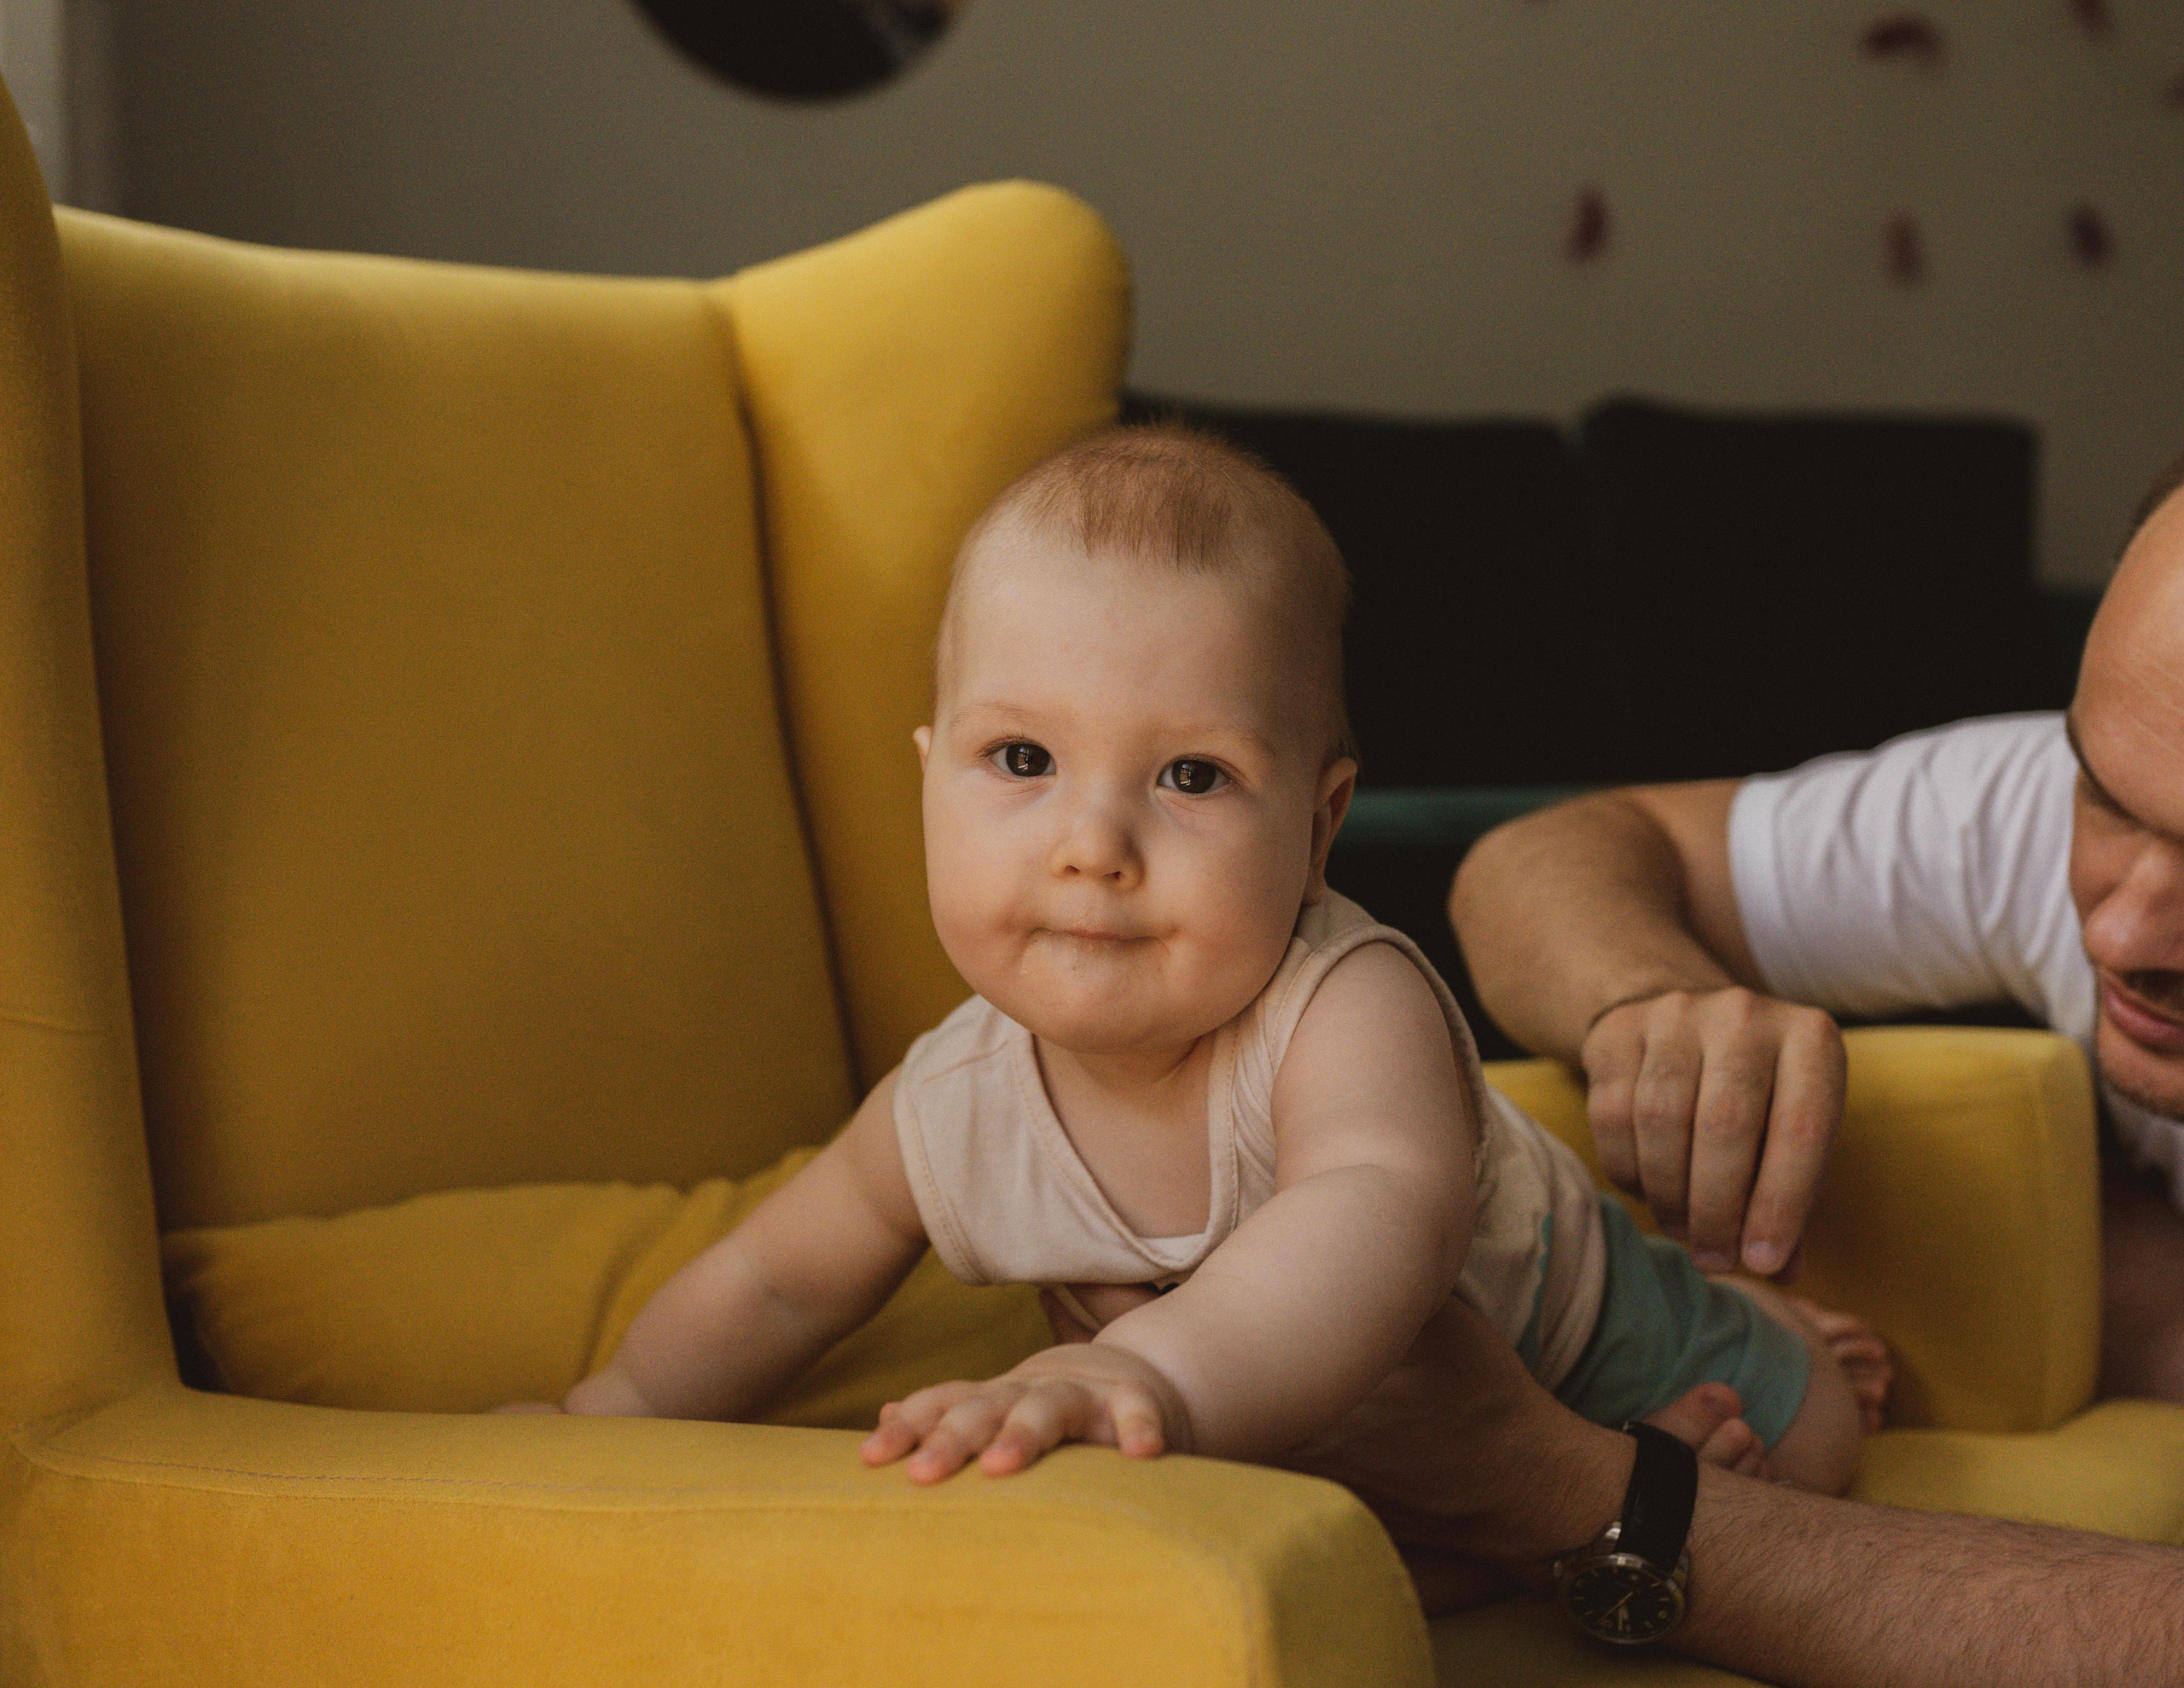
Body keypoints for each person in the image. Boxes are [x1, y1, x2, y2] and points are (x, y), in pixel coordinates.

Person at [501, 423, 1883, 1534]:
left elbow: (1371, 1213)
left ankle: (1776, 1340)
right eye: (1023, 760)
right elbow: (773, 1283)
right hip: (1316, 1437)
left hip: (1593, 1349)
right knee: (1353, 1548)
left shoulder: (1342, 1005)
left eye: (1192, 775)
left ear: (1319, 830)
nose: (1094, 845)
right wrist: (611, 1414)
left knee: (1802, 1455)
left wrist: (1142, 1368)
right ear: (927, 781)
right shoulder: (956, 1095)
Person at [1449, 458, 2184, 1403]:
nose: (2117, 936)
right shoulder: (2048, 790)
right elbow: (1538, 862)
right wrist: (1654, 1003)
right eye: (2105, 797)